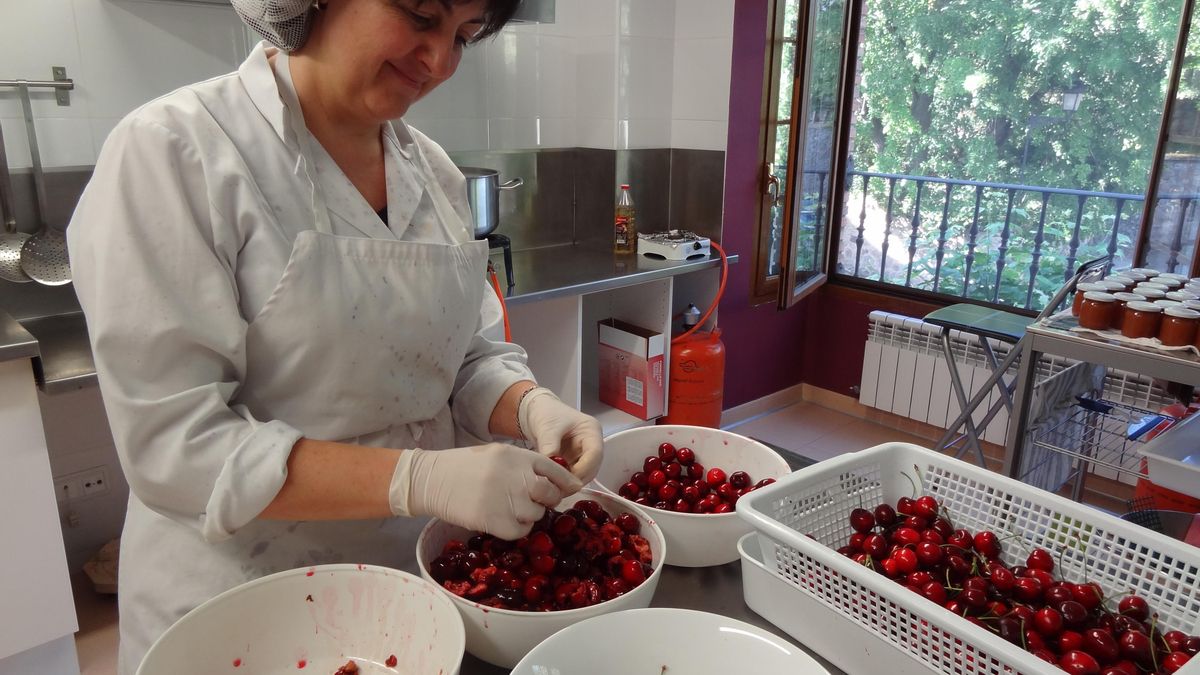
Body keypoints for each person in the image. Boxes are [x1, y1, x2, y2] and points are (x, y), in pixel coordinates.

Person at [66, 1, 604, 671]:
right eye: (419, 14)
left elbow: (465, 354)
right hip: (244, 612)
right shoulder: (175, 152)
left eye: (463, 37)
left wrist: (529, 404)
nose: (439, 61)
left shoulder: (434, 176)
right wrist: (421, 476)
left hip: (409, 602)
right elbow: (175, 447)